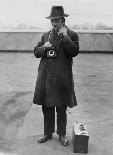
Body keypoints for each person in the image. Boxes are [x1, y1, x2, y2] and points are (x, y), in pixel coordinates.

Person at [33, 6, 79, 146]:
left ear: (63, 20)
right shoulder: (46, 35)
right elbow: (36, 52)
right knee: (47, 107)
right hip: (46, 78)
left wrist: (65, 38)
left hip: (61, 79)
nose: (54, 24)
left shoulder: (71, 35)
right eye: (52, 21)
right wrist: (43, 47)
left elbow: (74, 51)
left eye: (56, 21)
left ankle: (62, 135)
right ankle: (47, 133)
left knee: (61, 107)